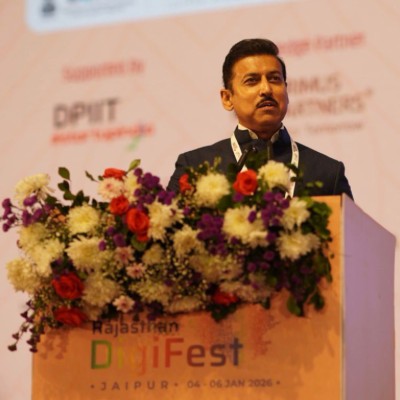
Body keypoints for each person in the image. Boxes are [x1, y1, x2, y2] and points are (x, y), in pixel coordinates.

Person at [167, 38, 353, 200]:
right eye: (252, 81)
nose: (266, 89)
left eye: (274, 79)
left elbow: (353, 230)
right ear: (227, 98)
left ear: (286, 90)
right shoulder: (195, 167)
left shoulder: (328, 172)